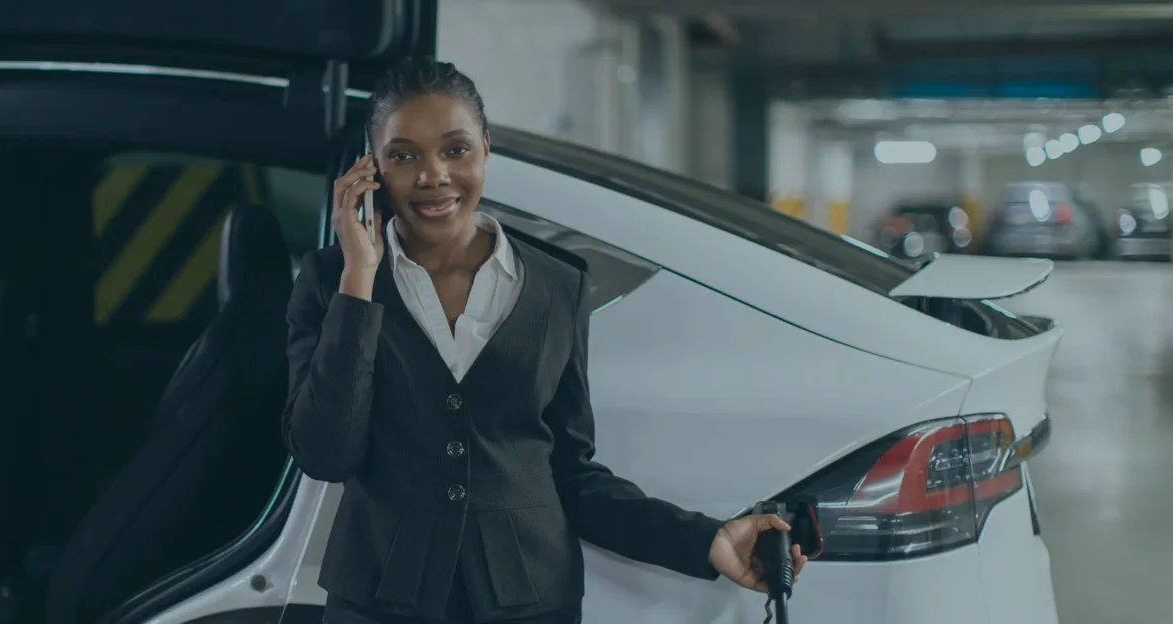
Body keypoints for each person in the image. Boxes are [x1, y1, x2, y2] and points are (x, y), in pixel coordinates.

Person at [281, 57, 807, 624]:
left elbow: (573, 474)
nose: (433, 175)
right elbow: (327, 455)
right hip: (378, 603)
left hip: (531, 604)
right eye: (403, 155)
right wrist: (359, 279)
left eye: (455, 149)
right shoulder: (331, 281)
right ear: (373, 167)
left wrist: (705, 542)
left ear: (485, 148)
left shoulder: (559, 285)